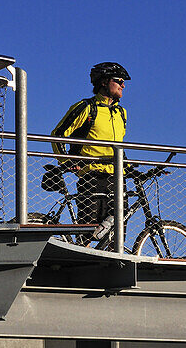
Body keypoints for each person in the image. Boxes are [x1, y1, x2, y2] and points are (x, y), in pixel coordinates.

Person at [50, 62, 130, 226]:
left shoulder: (121, 113)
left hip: (117, 178)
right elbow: (58, 134)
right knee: (88, 228)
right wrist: (67, 161)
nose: (123, 85)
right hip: (92, 176)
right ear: (104, 82)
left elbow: (117, 146)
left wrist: (131, 169)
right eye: (118, 80)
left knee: (117, 232)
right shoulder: (87, 107)